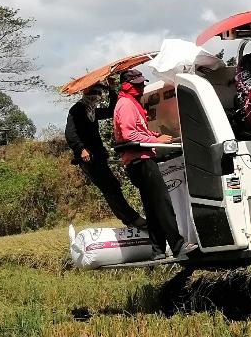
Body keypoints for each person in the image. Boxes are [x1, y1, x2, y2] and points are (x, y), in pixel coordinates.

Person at [111, 68, 193, 261]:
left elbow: (136, 131)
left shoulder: (129, 103)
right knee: (162, 203)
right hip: (141, 161)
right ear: (126, 85)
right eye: (137, 85)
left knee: (153, 206)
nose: (141, 87)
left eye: (141, 83)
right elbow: (128, 134)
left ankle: (157, 250)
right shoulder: (126, 104)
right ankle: (178, 246)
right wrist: (156, 141)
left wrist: (156, 137)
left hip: (138, 161)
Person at [65, 83, 146, 230]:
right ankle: (132, 219)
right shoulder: (77, 109)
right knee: (110, 187)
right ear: (86, 93)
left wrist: (111, 91)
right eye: (93, 92)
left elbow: (111, 110)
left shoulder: (93, 112)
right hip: (88, 158)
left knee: (112, 187)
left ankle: (129, 219)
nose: (96, 96)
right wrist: (81, 149)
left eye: (99, 93)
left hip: (98, 156)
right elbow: (70, 133)